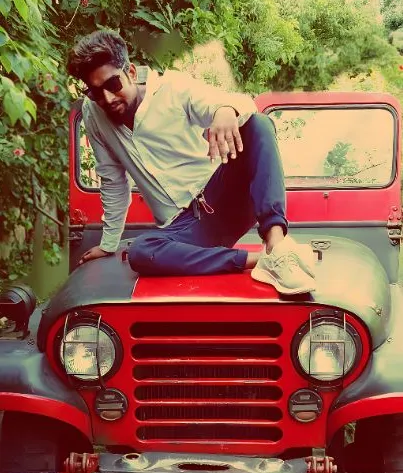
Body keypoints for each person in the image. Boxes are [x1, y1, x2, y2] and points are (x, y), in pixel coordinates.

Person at [67, 30, 316, 294]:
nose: (107, 98)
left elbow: (239, 103)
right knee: (141, 251)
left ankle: (277, 246)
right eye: (95, 92)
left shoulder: (172, 89)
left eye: (112, 85)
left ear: (130, 71)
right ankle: (259, 261)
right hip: (183, 230)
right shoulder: (93, 114)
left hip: (221, 199)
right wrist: (108, 244)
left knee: (258, 124)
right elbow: (113, 180)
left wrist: (224, 111)